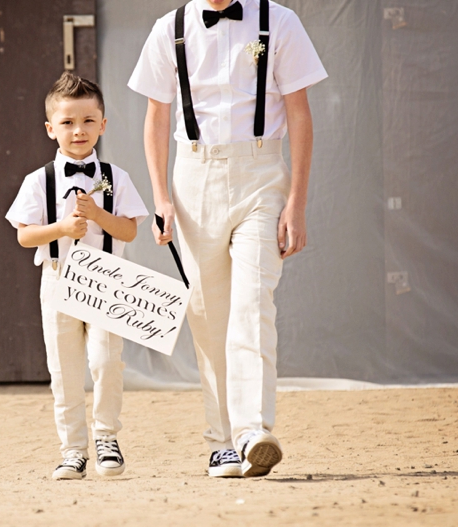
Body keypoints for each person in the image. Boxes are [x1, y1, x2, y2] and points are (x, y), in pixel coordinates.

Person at [128, 0, 327, 477]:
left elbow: (299, 113)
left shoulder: (280, 22)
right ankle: (221, 442)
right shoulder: (169, 29)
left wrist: (296, 202)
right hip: (194, 176)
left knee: (253, 302)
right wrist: (161, 198)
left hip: (261, 174)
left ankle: (253, 430)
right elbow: (157, 117)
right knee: (207, 314)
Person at [6, 72, 149, 480]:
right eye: (67, 122)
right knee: (64, 370)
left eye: (88, 121)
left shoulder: (116, 177)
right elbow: (23, 235)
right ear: (51, 129)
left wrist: (98, 215)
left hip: (106, 281)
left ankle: (107, 438)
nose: (78, 131)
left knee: (107, 361)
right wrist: (61, 230)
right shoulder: (40, 181)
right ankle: (72, 450)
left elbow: (130, 230)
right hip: (57, 279)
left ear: (103, 124)